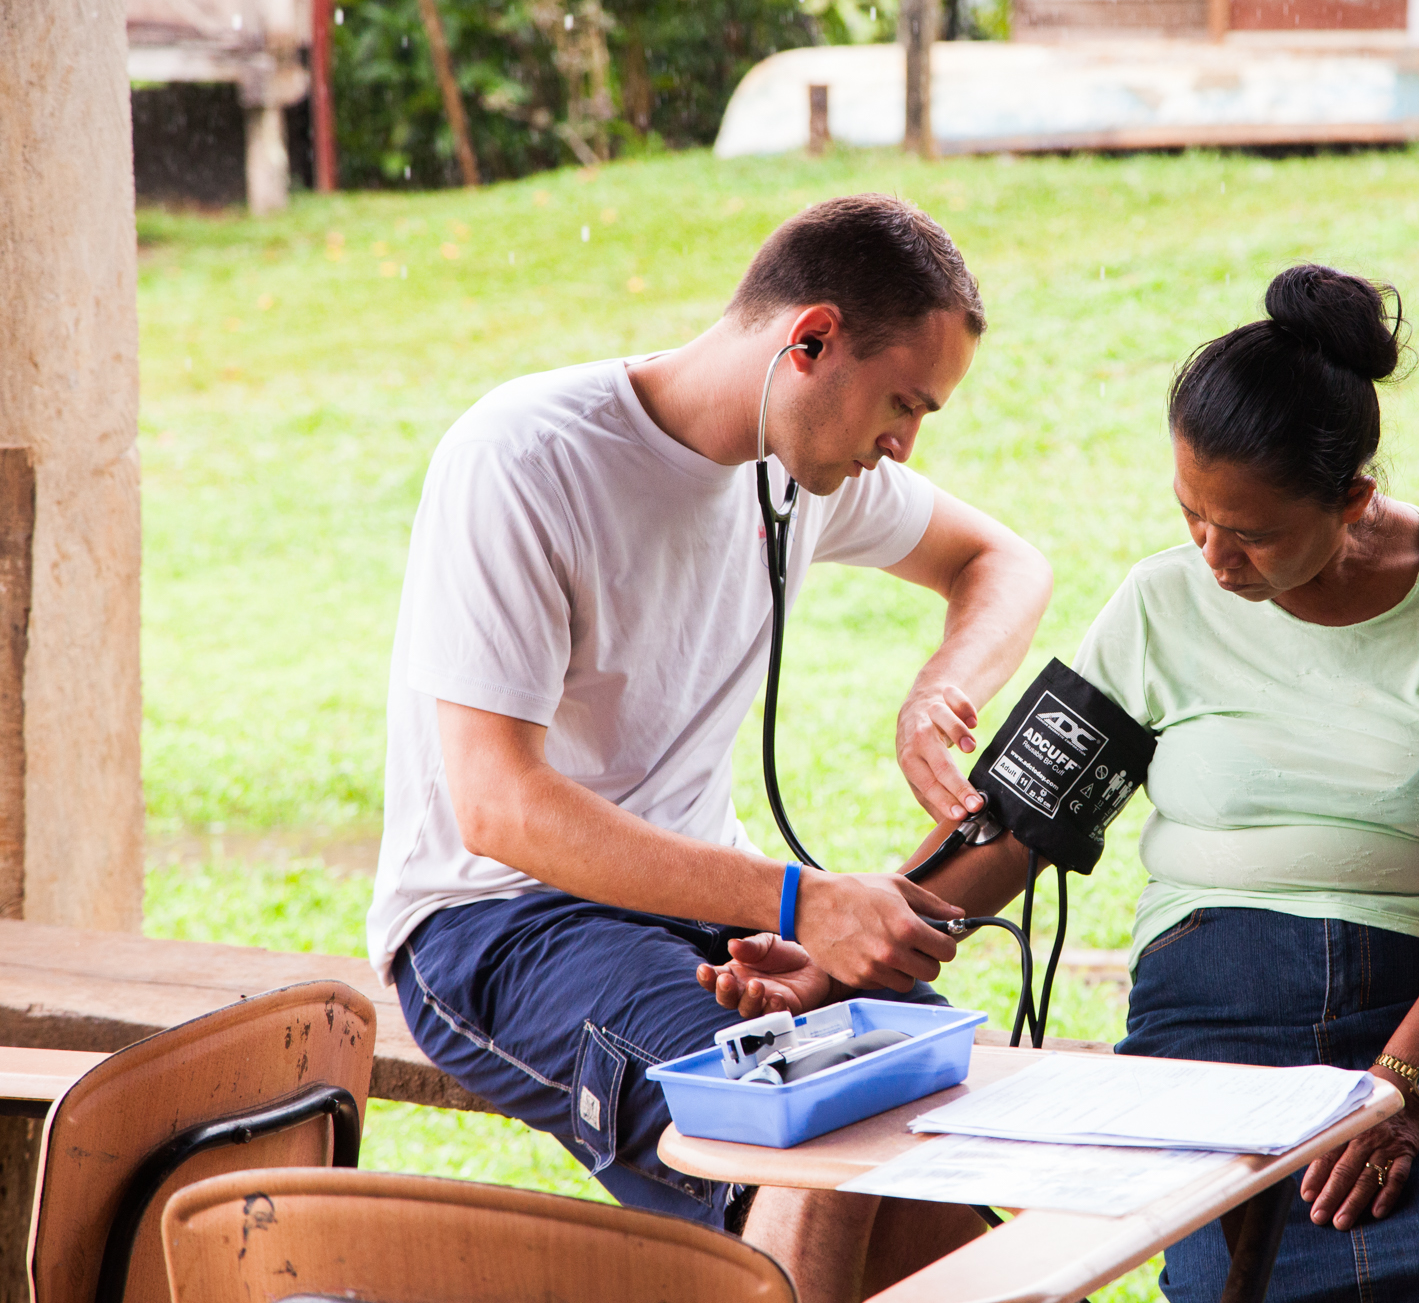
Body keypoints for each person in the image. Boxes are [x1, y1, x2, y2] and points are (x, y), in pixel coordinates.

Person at [705, 264, 1419, 1303]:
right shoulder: (1159, 603)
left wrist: (1407, 1080)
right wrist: (838, 961)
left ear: (1352, 500)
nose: (1214, 558)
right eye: (1192, 516)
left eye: (1251, 533)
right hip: (1219, 1005)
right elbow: (1015, 826)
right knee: (1240, 1278)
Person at [363, 195, 1053, 1300]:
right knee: (815, 1122)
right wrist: (801, 901)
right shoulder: (527, 456)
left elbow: (1006, 563)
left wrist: (942, 687)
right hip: (499, 920)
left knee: (936, 1101)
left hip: (710, 905)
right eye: (902, 404)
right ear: (810, 340)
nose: (902, 446)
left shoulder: (802, 464)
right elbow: (498, 805)